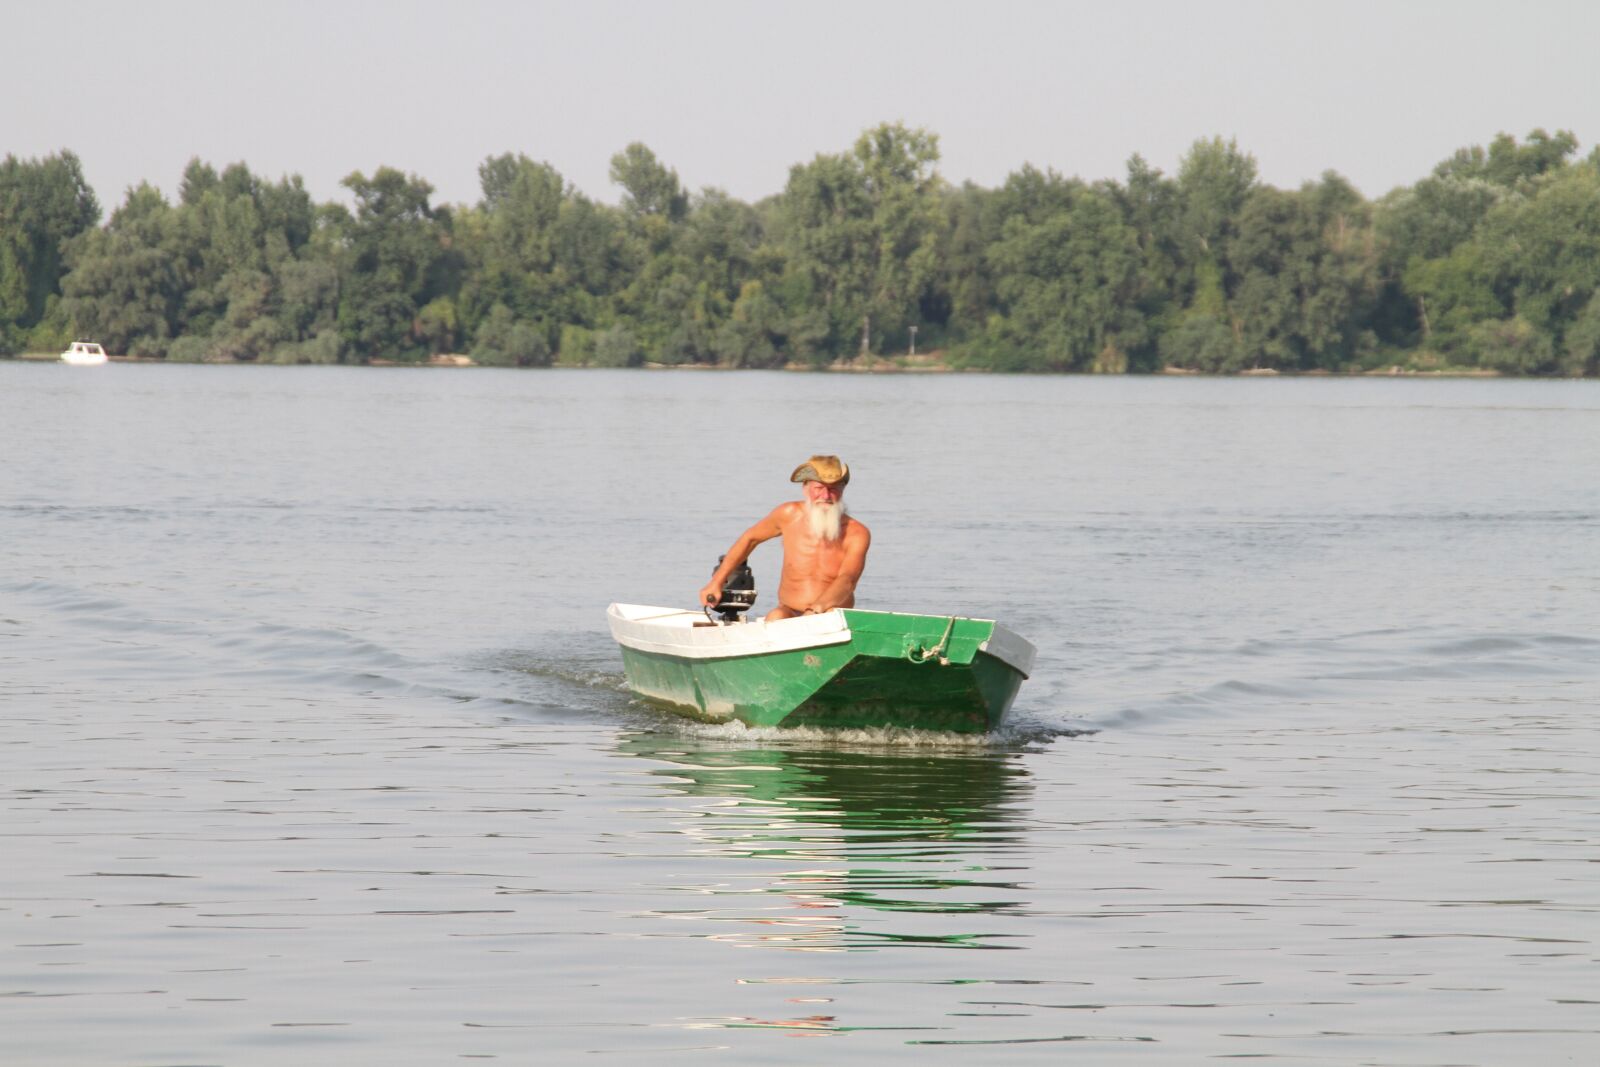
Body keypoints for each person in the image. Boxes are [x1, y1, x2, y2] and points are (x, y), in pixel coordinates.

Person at [699, 455, 871, 621]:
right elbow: (750, 539)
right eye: (819, 488)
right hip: (789, 610)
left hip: (829, 612)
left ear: (843, 489)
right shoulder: (788, 514)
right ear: (805, 488)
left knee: (830, 620)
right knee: (775, 617)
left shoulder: (857, 533)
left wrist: (815, 611)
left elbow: (847, 580)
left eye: (833, 489)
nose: (825, 496)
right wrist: (716, 582)